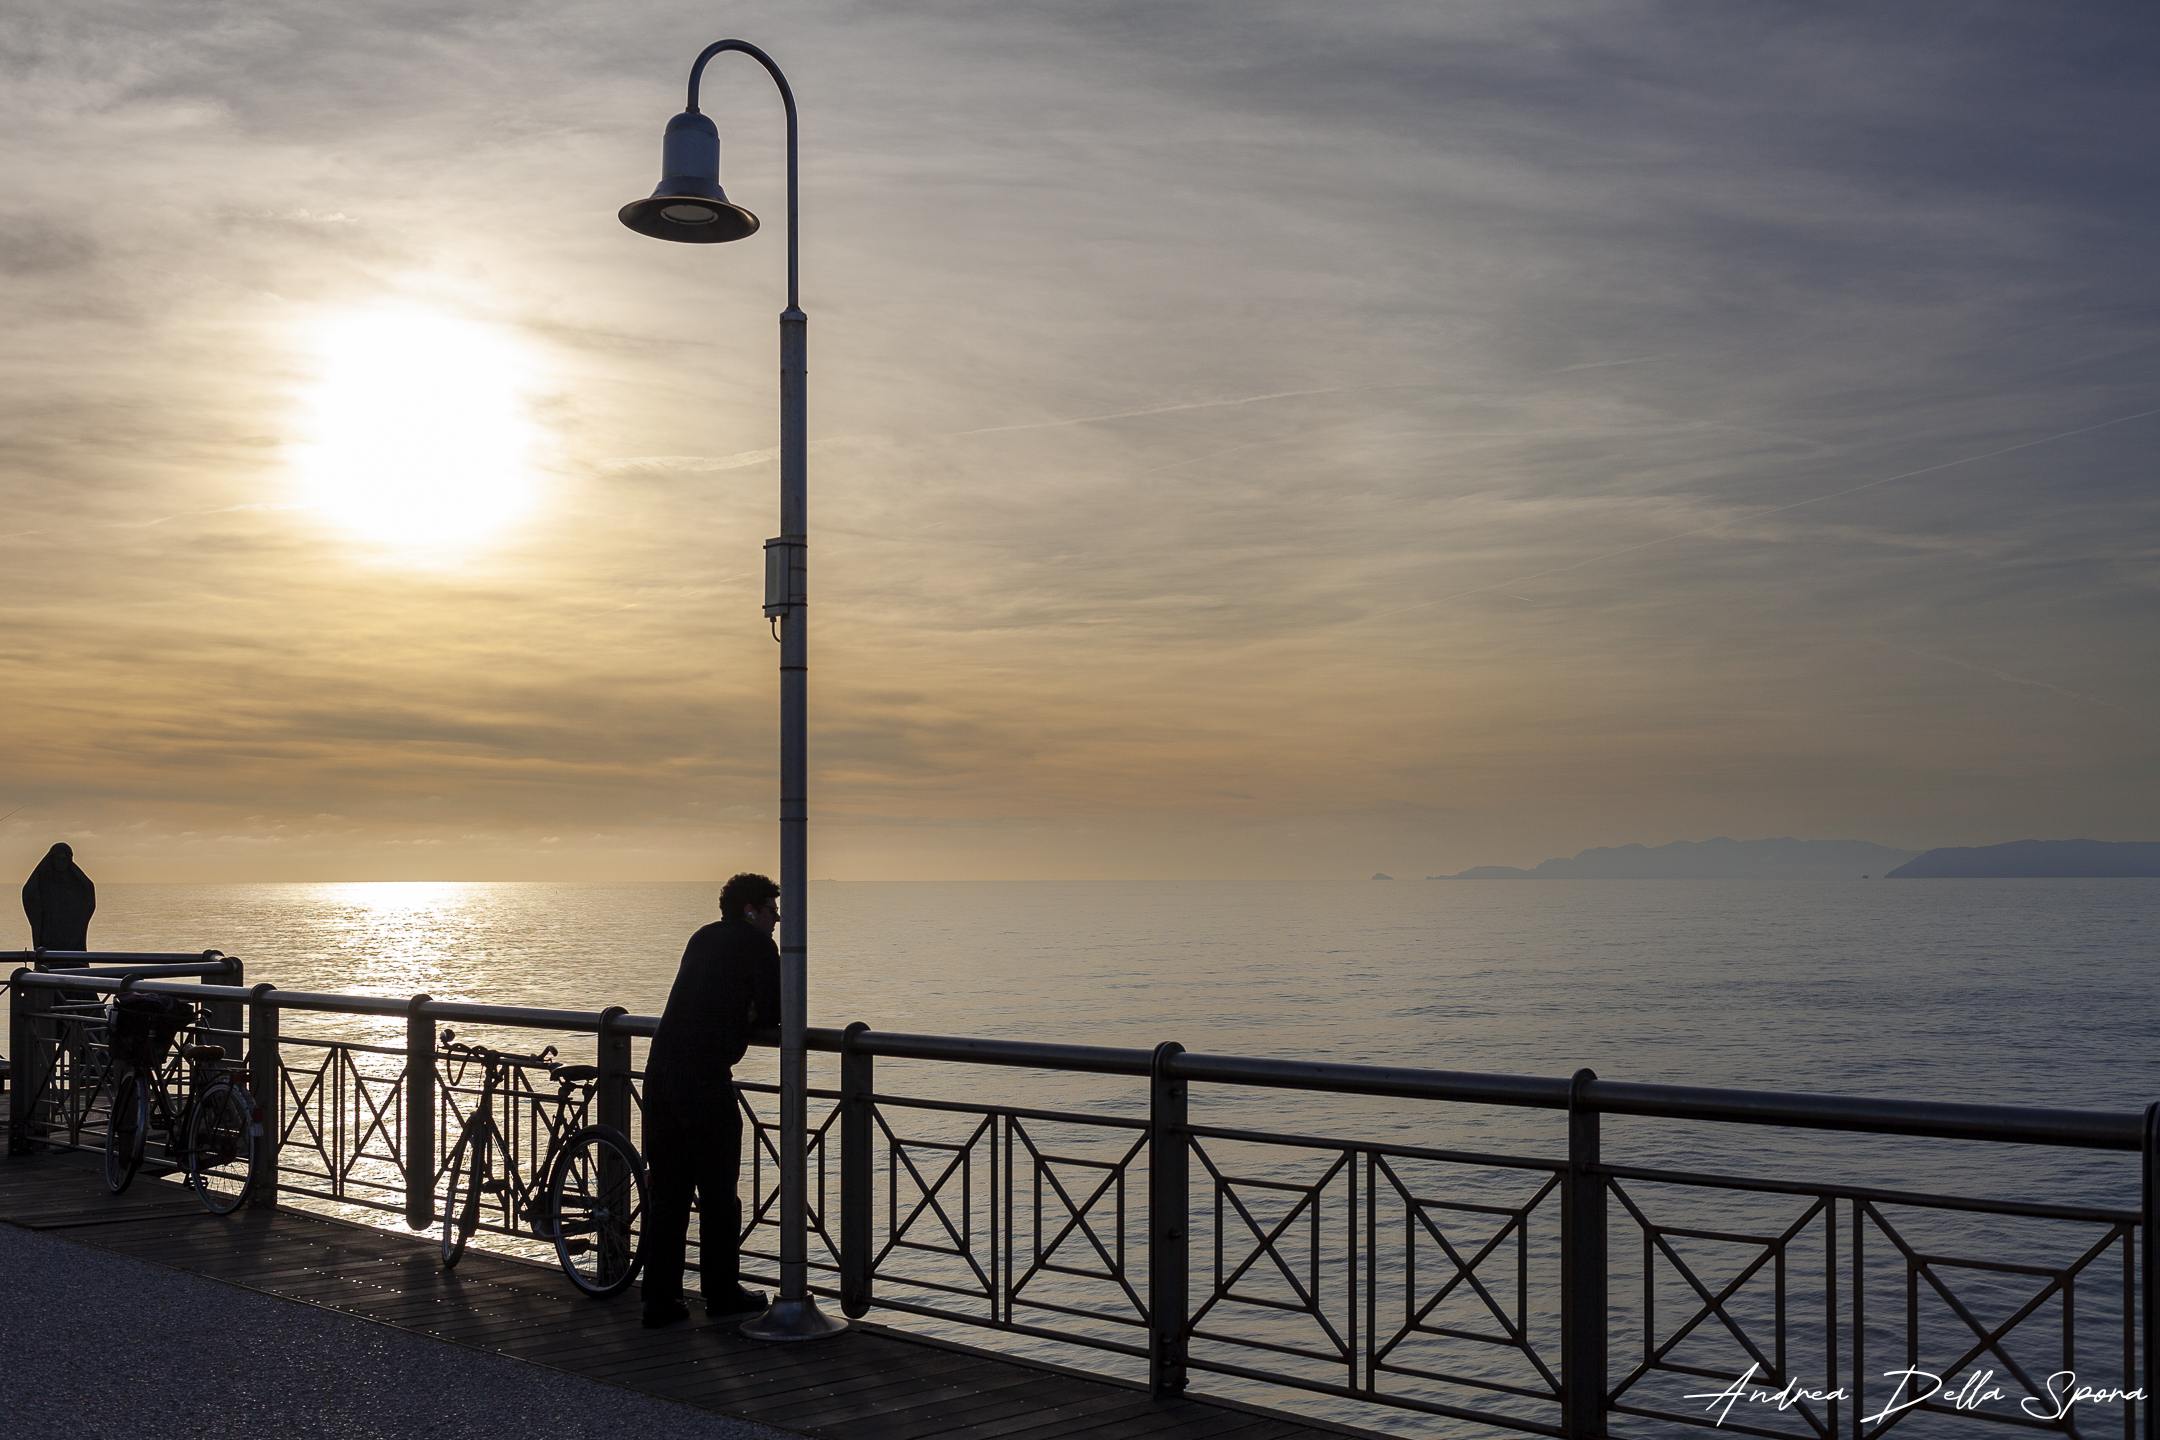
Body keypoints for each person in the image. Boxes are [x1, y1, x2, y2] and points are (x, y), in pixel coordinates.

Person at [639, 871, 782, 1329]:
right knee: (719, 1192)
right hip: (704, 1077)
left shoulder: (702, 937)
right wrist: (751, 1014)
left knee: (669, 1193)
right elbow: (776, 1013)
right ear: (751, 911)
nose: (777, 918)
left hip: (660, 1071)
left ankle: (660, 1301)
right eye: (771, 908)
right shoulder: (758, 946)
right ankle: (720, 1292)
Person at [22, 842, 95, 955]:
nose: (61, 863)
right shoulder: (42, 880)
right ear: (53, 860)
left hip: (71, 932)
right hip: (49, 932)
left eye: (64, 860)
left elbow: (88, 895)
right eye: (58, 859)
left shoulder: (77, 882)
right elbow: (29, 895)